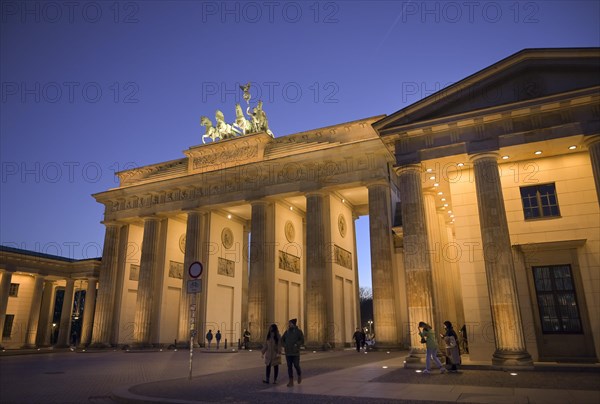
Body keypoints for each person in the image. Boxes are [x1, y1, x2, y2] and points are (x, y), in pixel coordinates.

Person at [281, 318, 304, 387]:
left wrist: (297, 344)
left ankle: (299, 374)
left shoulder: (299, 331)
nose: (289, 325)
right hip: (288, 352)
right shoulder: (287, 332)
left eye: (290, 323)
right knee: (289, 367)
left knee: (296, 365)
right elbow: (282, 339)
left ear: (293, 324)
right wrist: (285, 345)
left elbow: (302, 340)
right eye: (289, 323)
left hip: (295, 352)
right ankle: (291, 381)